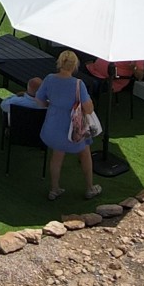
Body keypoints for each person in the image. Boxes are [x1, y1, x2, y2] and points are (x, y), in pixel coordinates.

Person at [35, 49, 102, 201]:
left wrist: (52, 106)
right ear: (75, 66)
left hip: (53, 126)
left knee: (56, 156)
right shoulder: (78, 84)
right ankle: (90, 188)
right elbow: (89, 109)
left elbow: (39, 100)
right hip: (74, 129)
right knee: (85, 154)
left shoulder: (50, 79)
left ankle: (54, 189)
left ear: (59, 63)